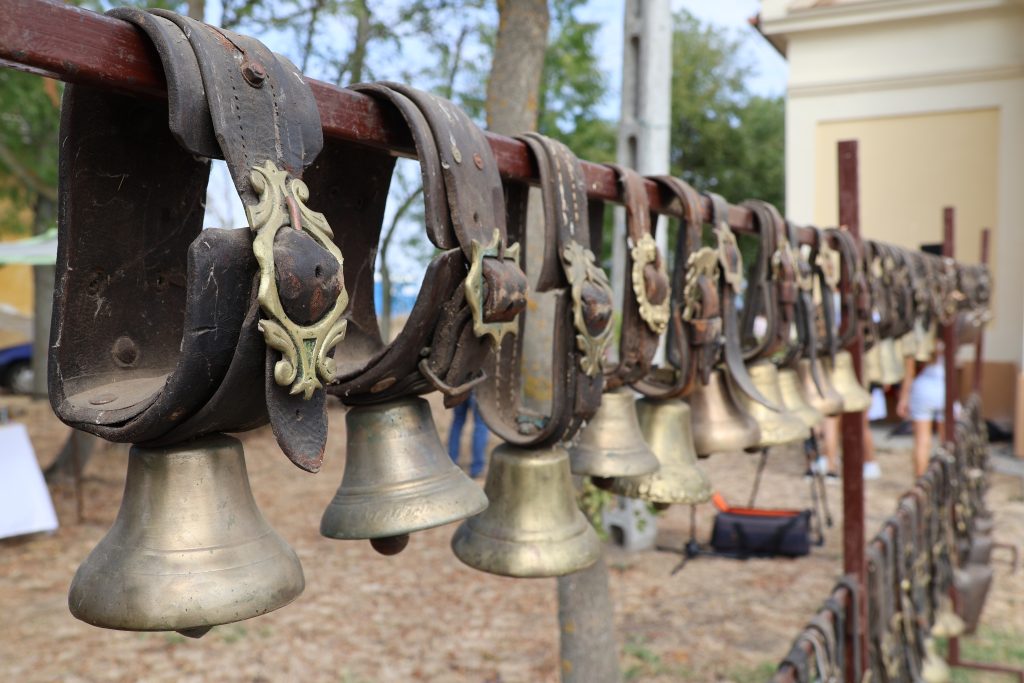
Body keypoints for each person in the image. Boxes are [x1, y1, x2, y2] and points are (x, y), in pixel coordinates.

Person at [897, 343, 946, 477]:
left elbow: (910, 372)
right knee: (947, 441)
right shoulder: (952, 334)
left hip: (923, 388)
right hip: (945, 386)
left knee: (922, 441)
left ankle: (921, 481)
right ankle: (945, 479)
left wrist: (904, 398)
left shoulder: (919, 339)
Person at [447, 393, 489, 478]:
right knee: (481, 424)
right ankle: (477, 469)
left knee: (457, 421)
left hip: (459, 388)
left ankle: (451, 462)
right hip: (478, 387)